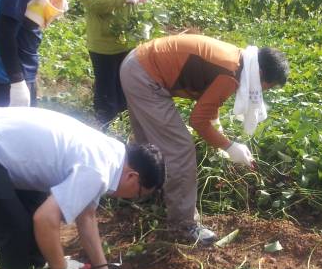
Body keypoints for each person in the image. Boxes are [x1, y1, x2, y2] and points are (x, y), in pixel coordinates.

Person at [0, 106, 165, 269]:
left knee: (32, 235)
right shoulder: (97, 170)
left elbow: (87, 217)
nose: (132, 198)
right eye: (137, 194)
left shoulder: (111, 154)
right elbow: (45, 219)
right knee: (16, 234)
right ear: (132, 177)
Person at [119, 34, 289, 245]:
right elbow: (198, 121)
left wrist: (218, 131)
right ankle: (183, 226)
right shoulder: (230, 73)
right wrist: (229, 146)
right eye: (268, 87)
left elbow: (208, 97)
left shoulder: (239, 60)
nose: (264, 92)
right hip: (144, 75)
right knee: (180, 150)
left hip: (137, 64)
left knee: (150, 144)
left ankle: (138, 190)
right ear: (261, 74)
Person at [81, 0, 151, 126]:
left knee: (126, 84)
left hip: (129, 37)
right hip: (103, 41)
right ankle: (105, 127)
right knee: (106, 89)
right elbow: (91, 3)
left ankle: (124, 125)